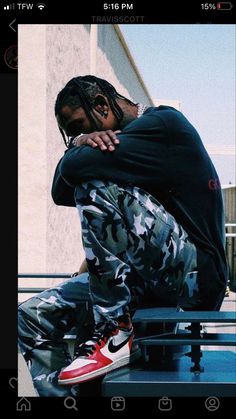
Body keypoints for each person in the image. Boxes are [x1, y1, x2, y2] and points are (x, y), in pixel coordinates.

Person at [18, 75, 227, 396]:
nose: (82, 136)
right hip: (144, 278)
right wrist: (79, 145)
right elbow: (60, 191)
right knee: (29, 318)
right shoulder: (124, 151)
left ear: (102, 104)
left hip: (196, 276)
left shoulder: (165, 125)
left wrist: (77, 150)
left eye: (80, 126)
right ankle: (62, 398)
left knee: (94, 186)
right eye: (73, 133)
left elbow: (75, 174)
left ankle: (114, 329)